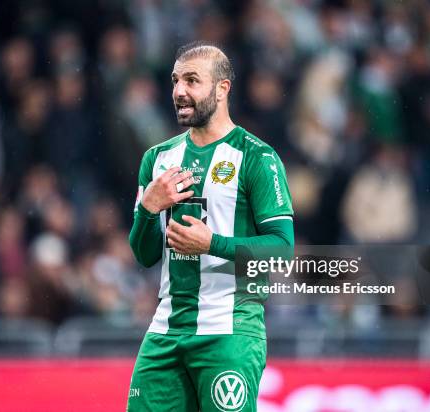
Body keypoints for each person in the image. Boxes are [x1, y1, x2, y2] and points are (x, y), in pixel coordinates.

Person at [127, 42, 294, 412]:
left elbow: (282, 251)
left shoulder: (257, 157)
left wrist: (212, 243)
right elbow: (144, 254)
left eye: (192, 80)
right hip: (167, 329)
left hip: (230, 330)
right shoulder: (157, 159)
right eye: (175, 81)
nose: (179, 91)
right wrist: (149, 209)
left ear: (222, 88)